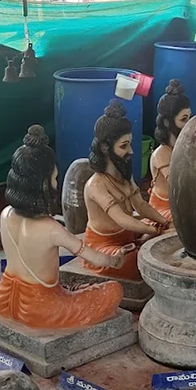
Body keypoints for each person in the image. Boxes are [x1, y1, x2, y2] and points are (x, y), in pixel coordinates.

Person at [0, 126, 124, 329]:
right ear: (42, 184)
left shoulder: (5, 214)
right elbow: (94, 258)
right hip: (41, 308)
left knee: (73, 287)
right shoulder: (50, 228)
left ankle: (67, 293)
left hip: (3, 298)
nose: (56, 183)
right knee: (113, 290)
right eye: (54, 178)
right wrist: (115, 260)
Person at [82, 101, 171, 280]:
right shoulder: (96, 185)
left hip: (129, 238)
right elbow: (122, 219)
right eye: (124, 146)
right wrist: (155, 232)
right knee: (136, 259)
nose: (130, 151)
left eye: (130, 144)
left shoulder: (124, 175)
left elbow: (140, 205)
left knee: (169, 229)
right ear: (105, 148)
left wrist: (163, 222)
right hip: (103, 247)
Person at [148, 79, 191, 221]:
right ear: (168, 122)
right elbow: (179, 186)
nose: (189, 124)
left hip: (183, 205)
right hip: (163, 209)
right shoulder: (161, 154)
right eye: (184, 119)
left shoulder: (185, 149)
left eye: (189, 118)